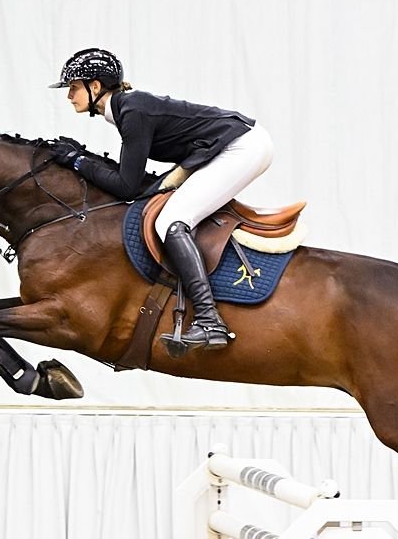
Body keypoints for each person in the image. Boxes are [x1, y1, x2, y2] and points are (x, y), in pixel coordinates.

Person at [48, 48, 274, 350]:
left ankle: (209, 321)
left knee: (171, 220)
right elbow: (138, 183)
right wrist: (85, 161)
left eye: (74, 87)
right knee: (164, 208)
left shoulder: (132, 111)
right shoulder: (127, 109)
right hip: (231, 145)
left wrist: (78, 162)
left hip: (241, 147)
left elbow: (126, 187)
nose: (69, 96)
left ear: (96, 86)